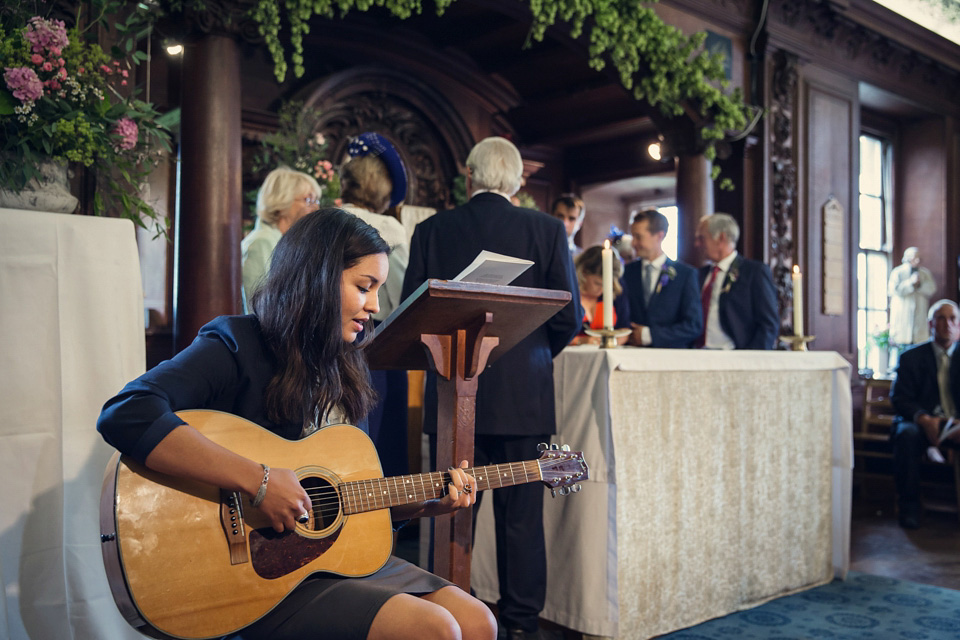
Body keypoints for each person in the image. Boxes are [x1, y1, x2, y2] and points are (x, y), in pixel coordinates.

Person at [98, 209, 497, 640]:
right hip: (259, 573)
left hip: (332, 559)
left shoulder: (346, 365)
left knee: (479, 623)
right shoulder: (237, 343)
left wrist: (424, 504)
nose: (376, 306)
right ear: (319, 279)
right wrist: (258, 480)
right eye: (364, 287)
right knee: (434, 629)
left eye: (378, 290)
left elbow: (343, 498)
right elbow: (127, 411)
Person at [401, 137, 580, 640]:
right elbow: (569, 316)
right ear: (519, 180)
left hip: (453, 396)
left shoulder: (433, 230)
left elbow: (412, 314)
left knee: (451, 512)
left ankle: (446, 616)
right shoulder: (547, 229)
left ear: (468, 176)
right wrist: (529, 358)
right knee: (523, 519)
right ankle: (521, 626)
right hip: (526, 397)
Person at [340, 131, 411, 477]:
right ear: (382, 187)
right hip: (377, 348)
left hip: (327, 345)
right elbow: (403, 299)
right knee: (380, 452)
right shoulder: (390, 230)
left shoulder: (325, 220)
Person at [890, 299, 960, 529]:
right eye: (941, 318)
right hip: (922, 422)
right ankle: (909, 508)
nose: (947, 324)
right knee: (906, 434)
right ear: (931, 324)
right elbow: (900, 398)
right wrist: (923, 418)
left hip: (956, 422)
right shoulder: (911, 357)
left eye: (953, 319)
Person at [241, 167, 322, 312]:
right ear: (282, 201)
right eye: (308, 200)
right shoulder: (262, 242)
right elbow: (257, 308)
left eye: (316, 201)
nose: (316, 208)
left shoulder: (282, 242)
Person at [694, 213, 779, 350]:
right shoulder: (699, 274)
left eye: (702, 238)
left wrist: (750, 360)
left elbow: (768, 324)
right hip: (697, 355)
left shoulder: (753, 272)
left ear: (721, 238)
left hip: (736, 356)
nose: (697, 244)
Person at [623, 210, 702, 348]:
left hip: (670, 357)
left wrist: (649, 335)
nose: (634, 243)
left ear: (659, 236)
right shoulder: (627, 272)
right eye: (633, 237)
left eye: (638, 237)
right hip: (631, 353)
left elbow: (693, 325)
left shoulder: (685, 274)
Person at [571, 245, 631, 345]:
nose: (602, 289)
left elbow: (624, 329)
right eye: (597, 283)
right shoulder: (571, 293)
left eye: (606, 285)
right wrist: (581, 341)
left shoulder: (616, 293)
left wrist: (613, 342)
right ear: (584, 272)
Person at [888, 247, 936, 350]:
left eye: (919, 258)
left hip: (919, 316)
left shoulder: (925, 274)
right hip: (903, 314)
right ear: (907, 258)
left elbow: (931, 289)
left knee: (919, 347)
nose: (917, 260)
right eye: (915, 258)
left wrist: (919, 285)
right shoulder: (898, 272)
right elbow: (894, 290)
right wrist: (910, 283)